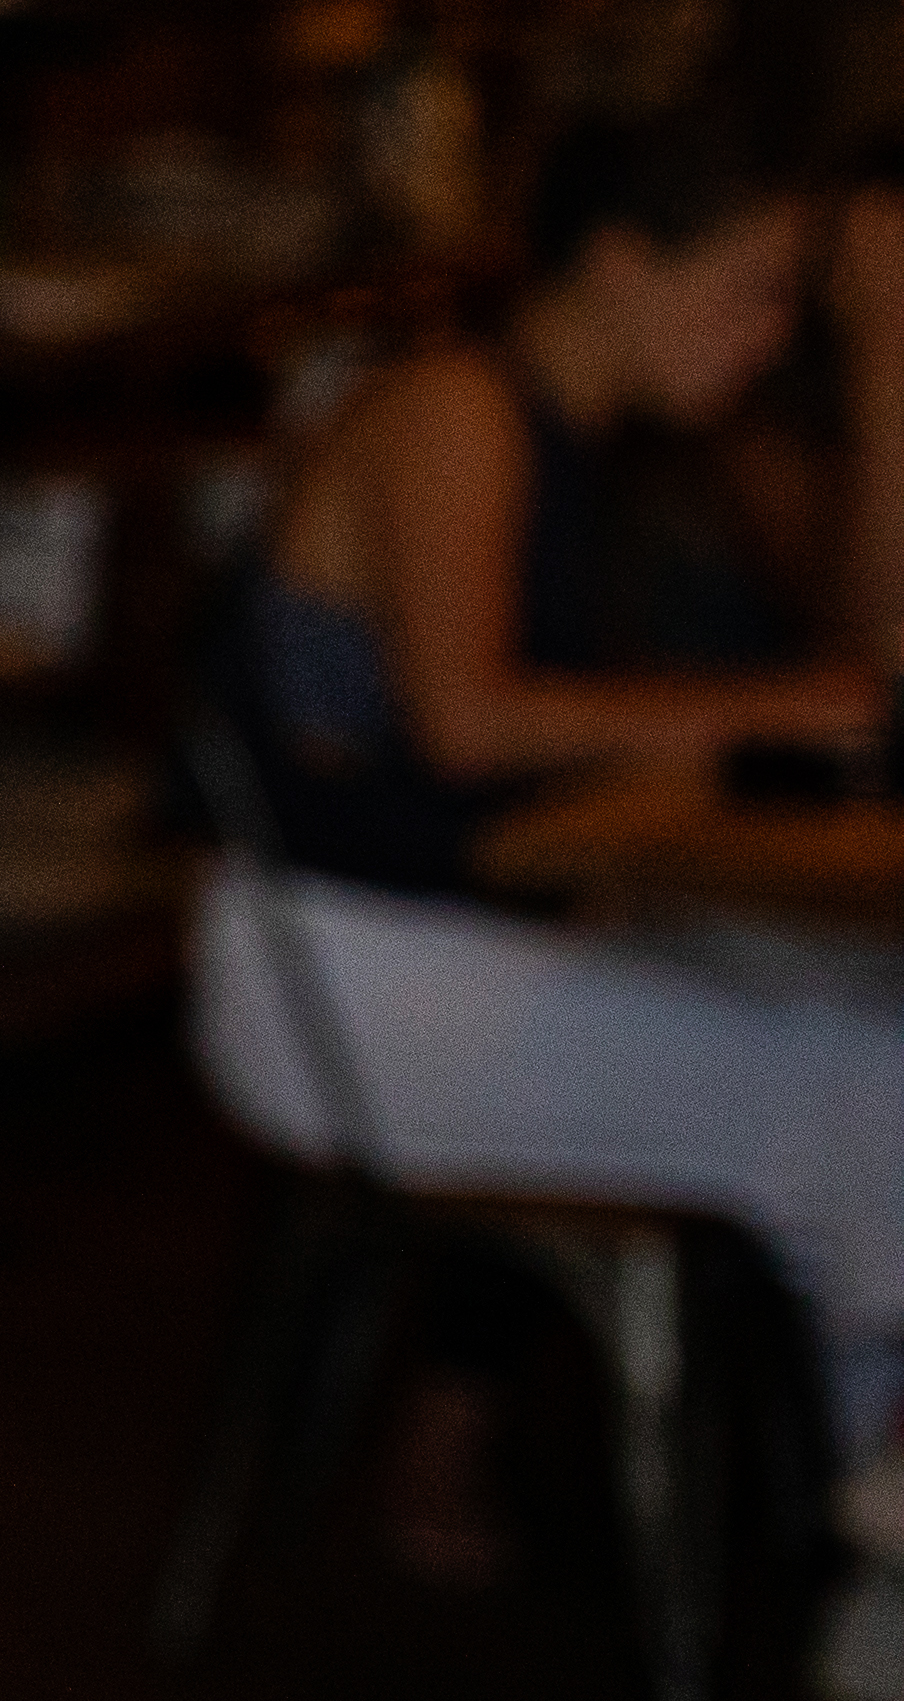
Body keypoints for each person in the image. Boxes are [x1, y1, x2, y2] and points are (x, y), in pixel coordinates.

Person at [211, 98, 904, 1580]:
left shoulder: (602, 444)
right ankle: (868, 1555)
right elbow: (466, 724)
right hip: (345, 972)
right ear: (620, 262)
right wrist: (770, 711)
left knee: (859, 1006)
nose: (771, 335)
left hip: (440, 938)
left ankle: (849, 1507)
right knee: (870, 1074)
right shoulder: (455, 411)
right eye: (752, 291)